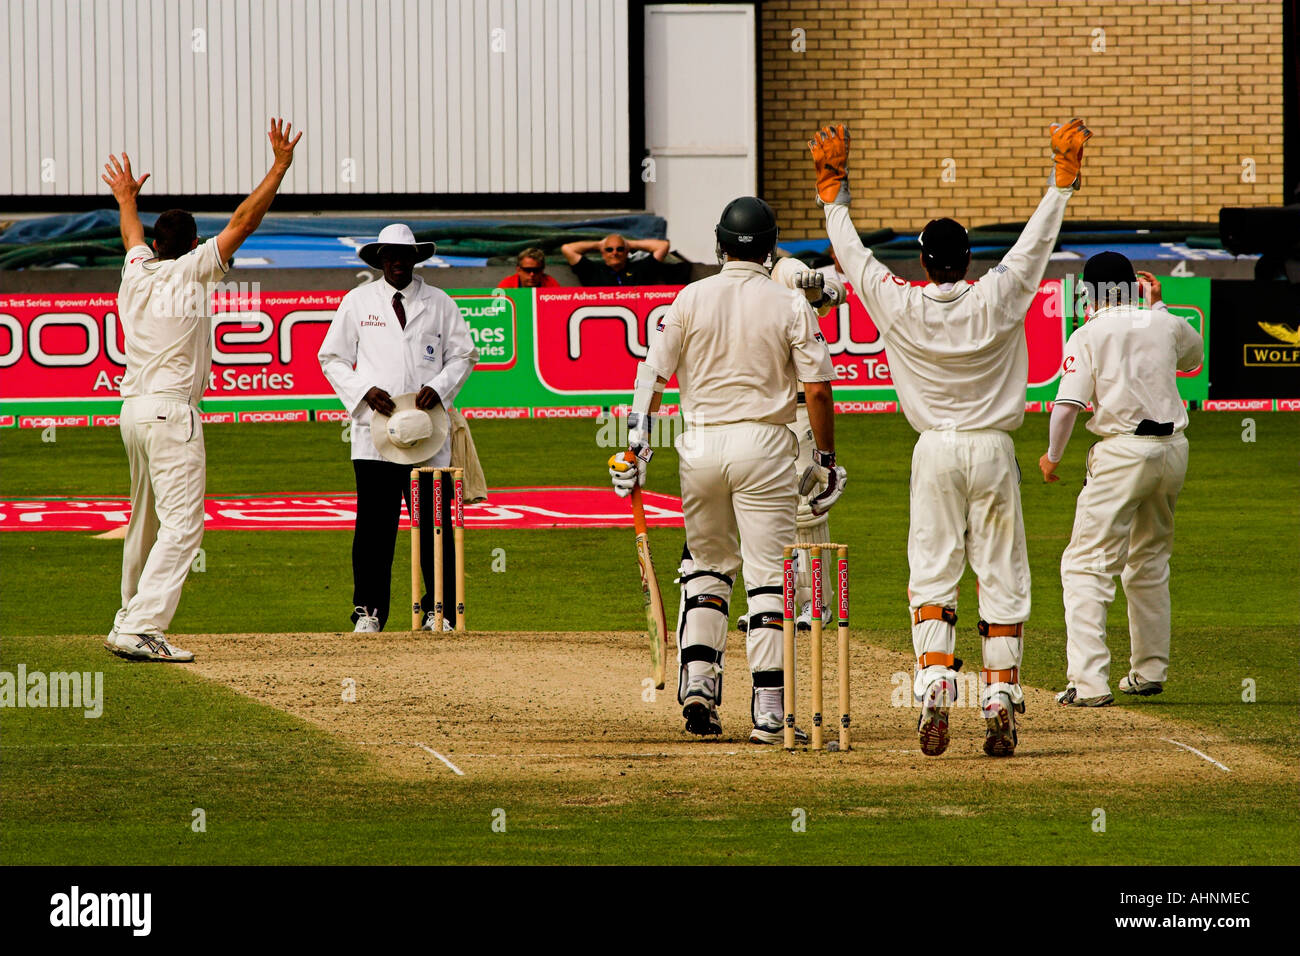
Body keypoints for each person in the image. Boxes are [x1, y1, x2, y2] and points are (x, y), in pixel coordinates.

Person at [810, 118, 1091, 757]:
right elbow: (1033, 247)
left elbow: (853, 258)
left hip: (934, 448)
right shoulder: (999, 295)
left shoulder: (899, 303)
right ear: (967, 259)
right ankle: (997, 694)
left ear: (922, 262)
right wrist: (1061, 184)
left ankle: (936, 681)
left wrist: (833, 191)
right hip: (993, 448)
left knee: (933, 571)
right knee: (1002, 572)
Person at [607, 197, 845, 744]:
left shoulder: (689, 297)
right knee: (768, 575)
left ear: (718, 244)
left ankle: (698, 688)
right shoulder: (789, 303)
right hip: (765, 445)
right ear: (771, 245)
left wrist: (637, 446)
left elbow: (652, 377)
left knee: (707, 565)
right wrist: (825, 461)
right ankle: (768, 713)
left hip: (700, 446)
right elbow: (817, 390)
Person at [102, 118, 302, 663]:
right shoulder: (191, 270)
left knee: (144, 519)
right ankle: (142, 625)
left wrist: (125, 199)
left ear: (156, 244)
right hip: (170, 413)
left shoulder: (136, 271)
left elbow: (132, 237)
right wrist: (279, 168)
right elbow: (244, 220)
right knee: (184, 526)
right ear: (192, 244)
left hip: (134, 412)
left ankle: (128, 615)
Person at [1040, 256, 1202, 706]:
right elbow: (1194, 356)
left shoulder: (1088, 333)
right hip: (1173, 451)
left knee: (1086, 565)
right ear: (1134, 286)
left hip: (1123, 452)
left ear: (1089, 293)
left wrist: (1052, 458)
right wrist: (1160, 306)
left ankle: (1089, 683)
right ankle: (1149, 671)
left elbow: (1068, 405)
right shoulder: (1162, 323)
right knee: (1149, 560)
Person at [318, 224, 479, 632]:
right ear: (379, 260)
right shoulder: (358, 301)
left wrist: (439, 389)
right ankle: (368, 612)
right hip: (375, 434)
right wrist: (363, 391)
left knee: (434, 525)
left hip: (429, 433)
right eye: (389, 255)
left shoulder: (439, 302)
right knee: (374, 528)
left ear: (415, 259)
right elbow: (332, 357)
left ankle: (437, 610)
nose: (397, 262)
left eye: (405, 255)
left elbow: (464, 355)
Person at [561, 233, 670, 286]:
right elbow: (567, 249)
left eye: (620, 249)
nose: (615, 253)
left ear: (627, 251)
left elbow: (663, 246)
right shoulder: (593, 271)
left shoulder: (640, 269)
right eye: (609, 249)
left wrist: (629, 244)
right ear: (603, 253)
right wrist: (598, 245)